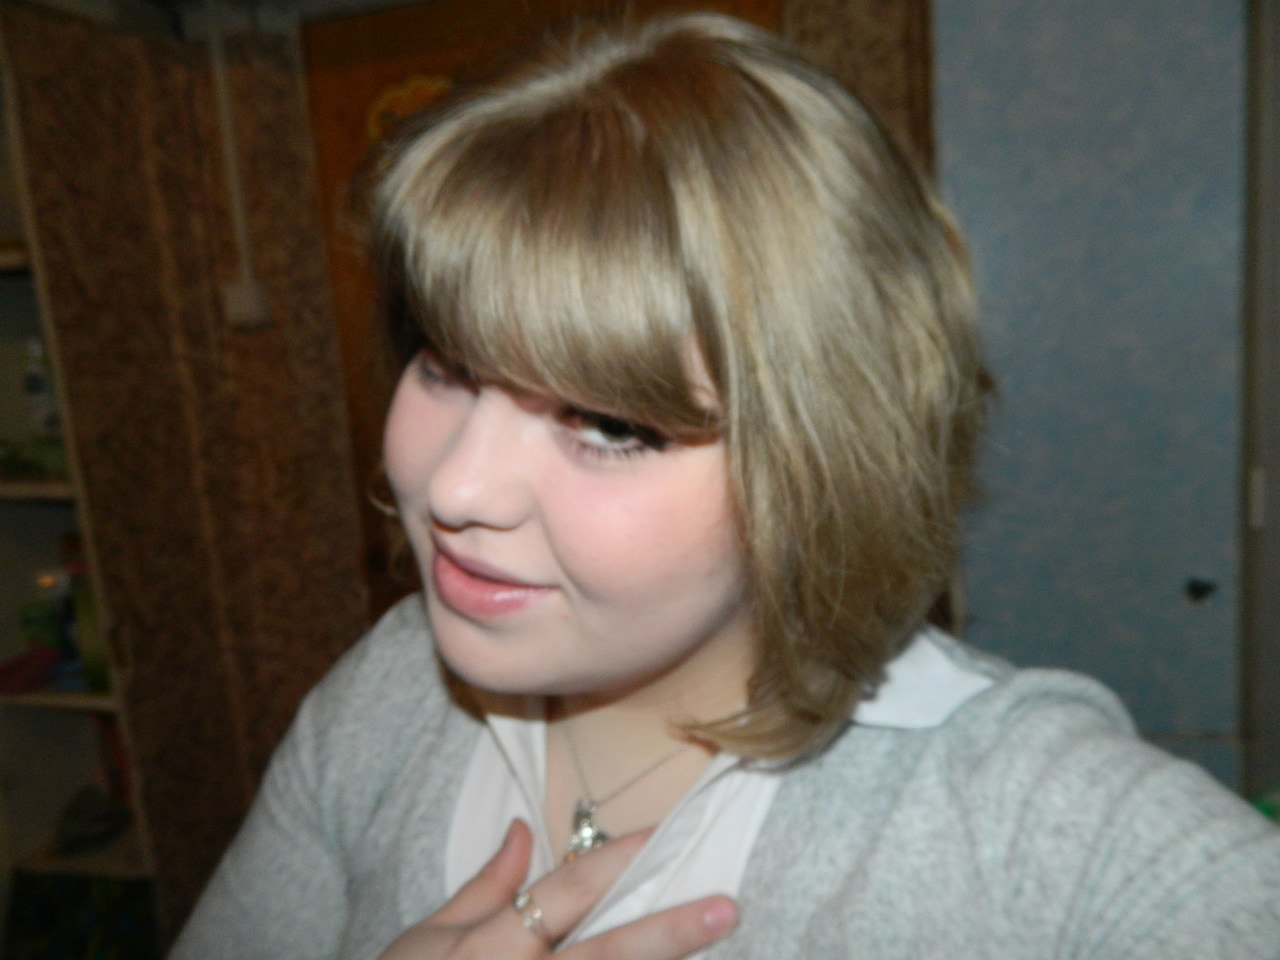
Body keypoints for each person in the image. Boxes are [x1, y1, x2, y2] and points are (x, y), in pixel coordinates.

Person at [171, 12, 1280, 960]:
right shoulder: (386, 693)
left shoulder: (1021, 821)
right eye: (446, 364)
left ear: (820, 465)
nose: (455, 486)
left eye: (608, 424)